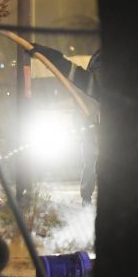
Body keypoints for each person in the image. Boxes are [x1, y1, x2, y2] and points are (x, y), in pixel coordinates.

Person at [28, 43, 101, 204]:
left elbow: (82, 81)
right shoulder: (100, 61)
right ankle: (86, 199)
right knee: (91, 161)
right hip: (95, 125)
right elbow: (80, 83)